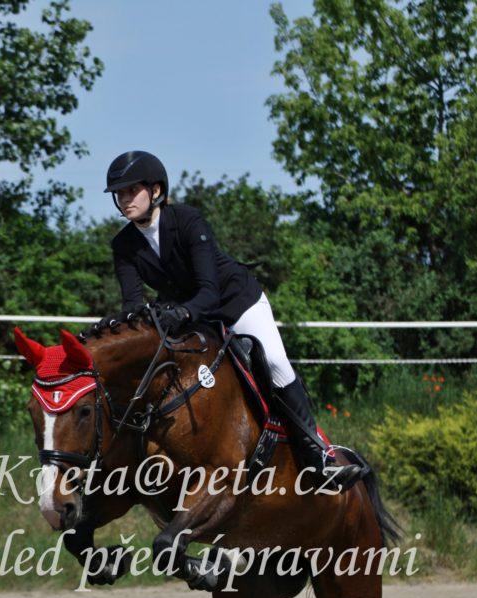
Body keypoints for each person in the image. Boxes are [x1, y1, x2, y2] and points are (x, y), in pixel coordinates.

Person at [98, 150, 364, 491]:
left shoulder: (188, 220)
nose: (124, 199)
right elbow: (133, 304)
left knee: (275, 362)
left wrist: (182, 312)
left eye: (131, 190)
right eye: (119, 193)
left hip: (235, 302)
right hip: (187, 314)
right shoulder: (123, 244)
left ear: (156, 190)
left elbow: (209, 290)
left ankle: (319, 454)